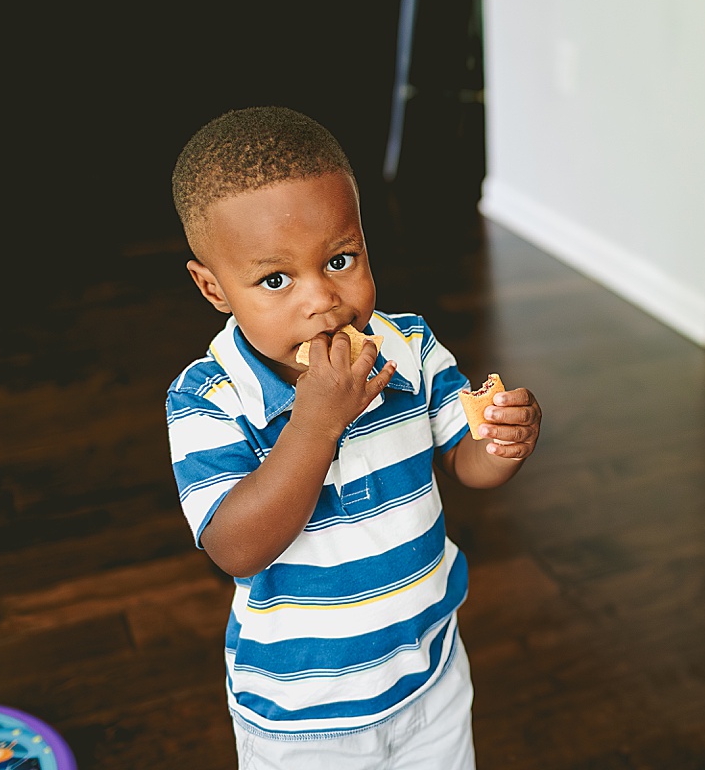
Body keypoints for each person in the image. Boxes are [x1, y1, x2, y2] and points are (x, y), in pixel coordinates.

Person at [165, 105, 541, 769]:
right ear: (214, 288)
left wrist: (502, 440)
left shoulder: (409, 345)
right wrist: (316, 423)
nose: (321, 300)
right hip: (302, 720)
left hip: (431, 676)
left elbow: (465, 459)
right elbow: (235, 545)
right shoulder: (210, 398)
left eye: (340, 259)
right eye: (275, 279)